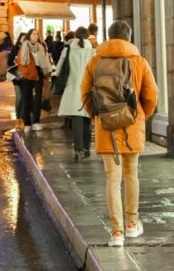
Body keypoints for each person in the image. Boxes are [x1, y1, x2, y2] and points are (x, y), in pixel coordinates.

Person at [81, 19, 158, 248]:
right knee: (131, 174)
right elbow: (152, 95)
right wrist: (141, 115)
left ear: (109, 36)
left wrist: (98, 116)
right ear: (129, 37)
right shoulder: (139, 61)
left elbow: (85, 94)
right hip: (132, 124)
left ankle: (116, 232)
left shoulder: (95, 61)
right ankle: (132, 224)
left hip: (106, 128)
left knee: (112, 179)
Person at [54, 26, 93, 159]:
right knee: (87, 118)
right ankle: (87, 148)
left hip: (73, 86)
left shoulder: (68, 49)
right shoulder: (92, 50)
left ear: (75, 36)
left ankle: (78, 149)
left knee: (77, 118)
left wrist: (54, 74)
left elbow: (59, 68)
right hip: (89, 87)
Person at [18, 28, 52, 132]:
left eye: (37, 34)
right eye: (33, 34)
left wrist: (47, 71)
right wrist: (26, 72)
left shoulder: (41, 46)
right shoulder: (25, 46)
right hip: (28, 73)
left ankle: (36, 122)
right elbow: (20, 61)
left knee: (38, 99)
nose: (35, 36)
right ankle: (27, 123)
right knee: (26, 98)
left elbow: (45, 60)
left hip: (39, 72)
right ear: (29, 36)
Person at [7, 31, 26, 122]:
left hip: (26, 76)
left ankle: (23, 115)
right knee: (19, 97)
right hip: (17, 76)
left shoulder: (27, 49)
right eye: (23, 38)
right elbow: (9, 61)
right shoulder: (15, 49)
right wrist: (15, 63)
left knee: (25, 97)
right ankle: (18, 116)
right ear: (19, 39)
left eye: (25, 39)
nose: (24, 40)